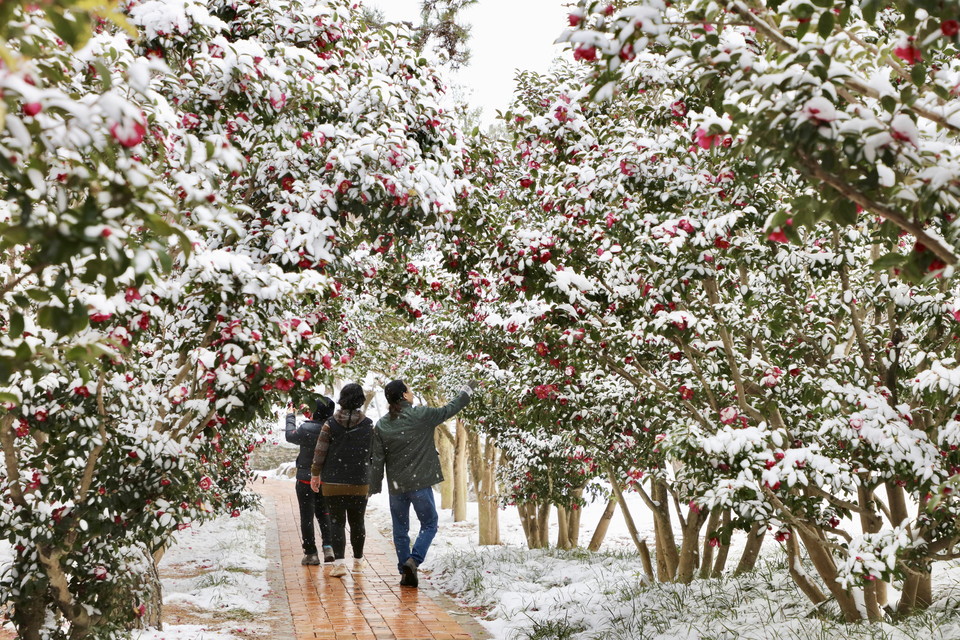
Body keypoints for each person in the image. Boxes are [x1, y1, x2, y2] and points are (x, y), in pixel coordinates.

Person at [370, 379, 475, 588]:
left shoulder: (382, 425)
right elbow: (449, 409)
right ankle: (414, 560)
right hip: (420, 483)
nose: (412, 392)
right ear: (404, 396)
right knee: (429, 524)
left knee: (400, 530)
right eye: (409, 390)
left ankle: (404, 571)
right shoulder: (421, 415)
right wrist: (467, 391)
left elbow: (377, 459)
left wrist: (373, 486)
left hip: (397, 486)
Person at [309, 383, 374, 579]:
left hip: (333, 482)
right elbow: (373, 454)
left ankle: (339, 564)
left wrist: (315, 474)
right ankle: (358, 562)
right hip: (359, 481)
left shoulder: (330, 424)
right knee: (357, 522)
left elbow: (320, 451)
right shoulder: (368, 424)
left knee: (336, 523)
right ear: (360, 400)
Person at [285, 396, 335, 565]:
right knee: (325, 513)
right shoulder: (334, 429)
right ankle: (328, 546)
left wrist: (290, 416)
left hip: (306, 479)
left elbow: (290, 436)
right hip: (326, 480)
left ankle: (311, 553)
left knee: (307, 516)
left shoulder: (306, 428)